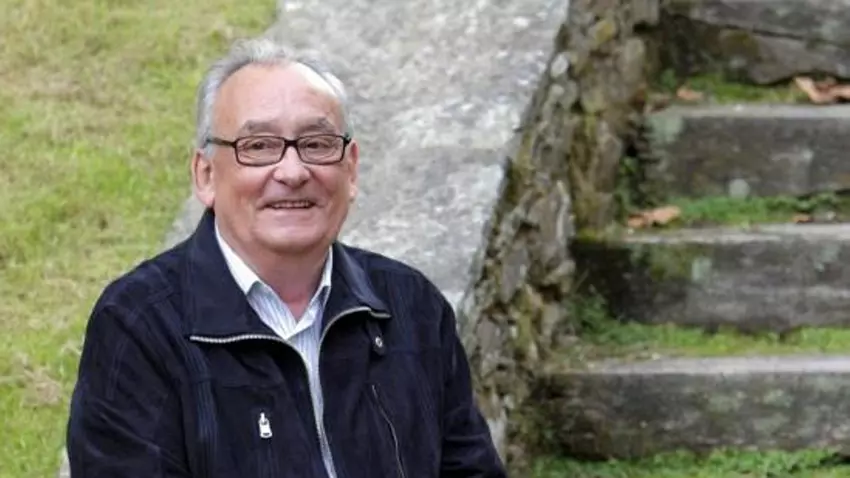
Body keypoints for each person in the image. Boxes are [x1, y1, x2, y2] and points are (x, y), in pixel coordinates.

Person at [65, 36, 506, 477]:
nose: (293, 172)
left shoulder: (410, 306)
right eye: (258, 146)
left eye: (317, 144)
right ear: (206, 175)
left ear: (350, 168)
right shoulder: (141, 326)